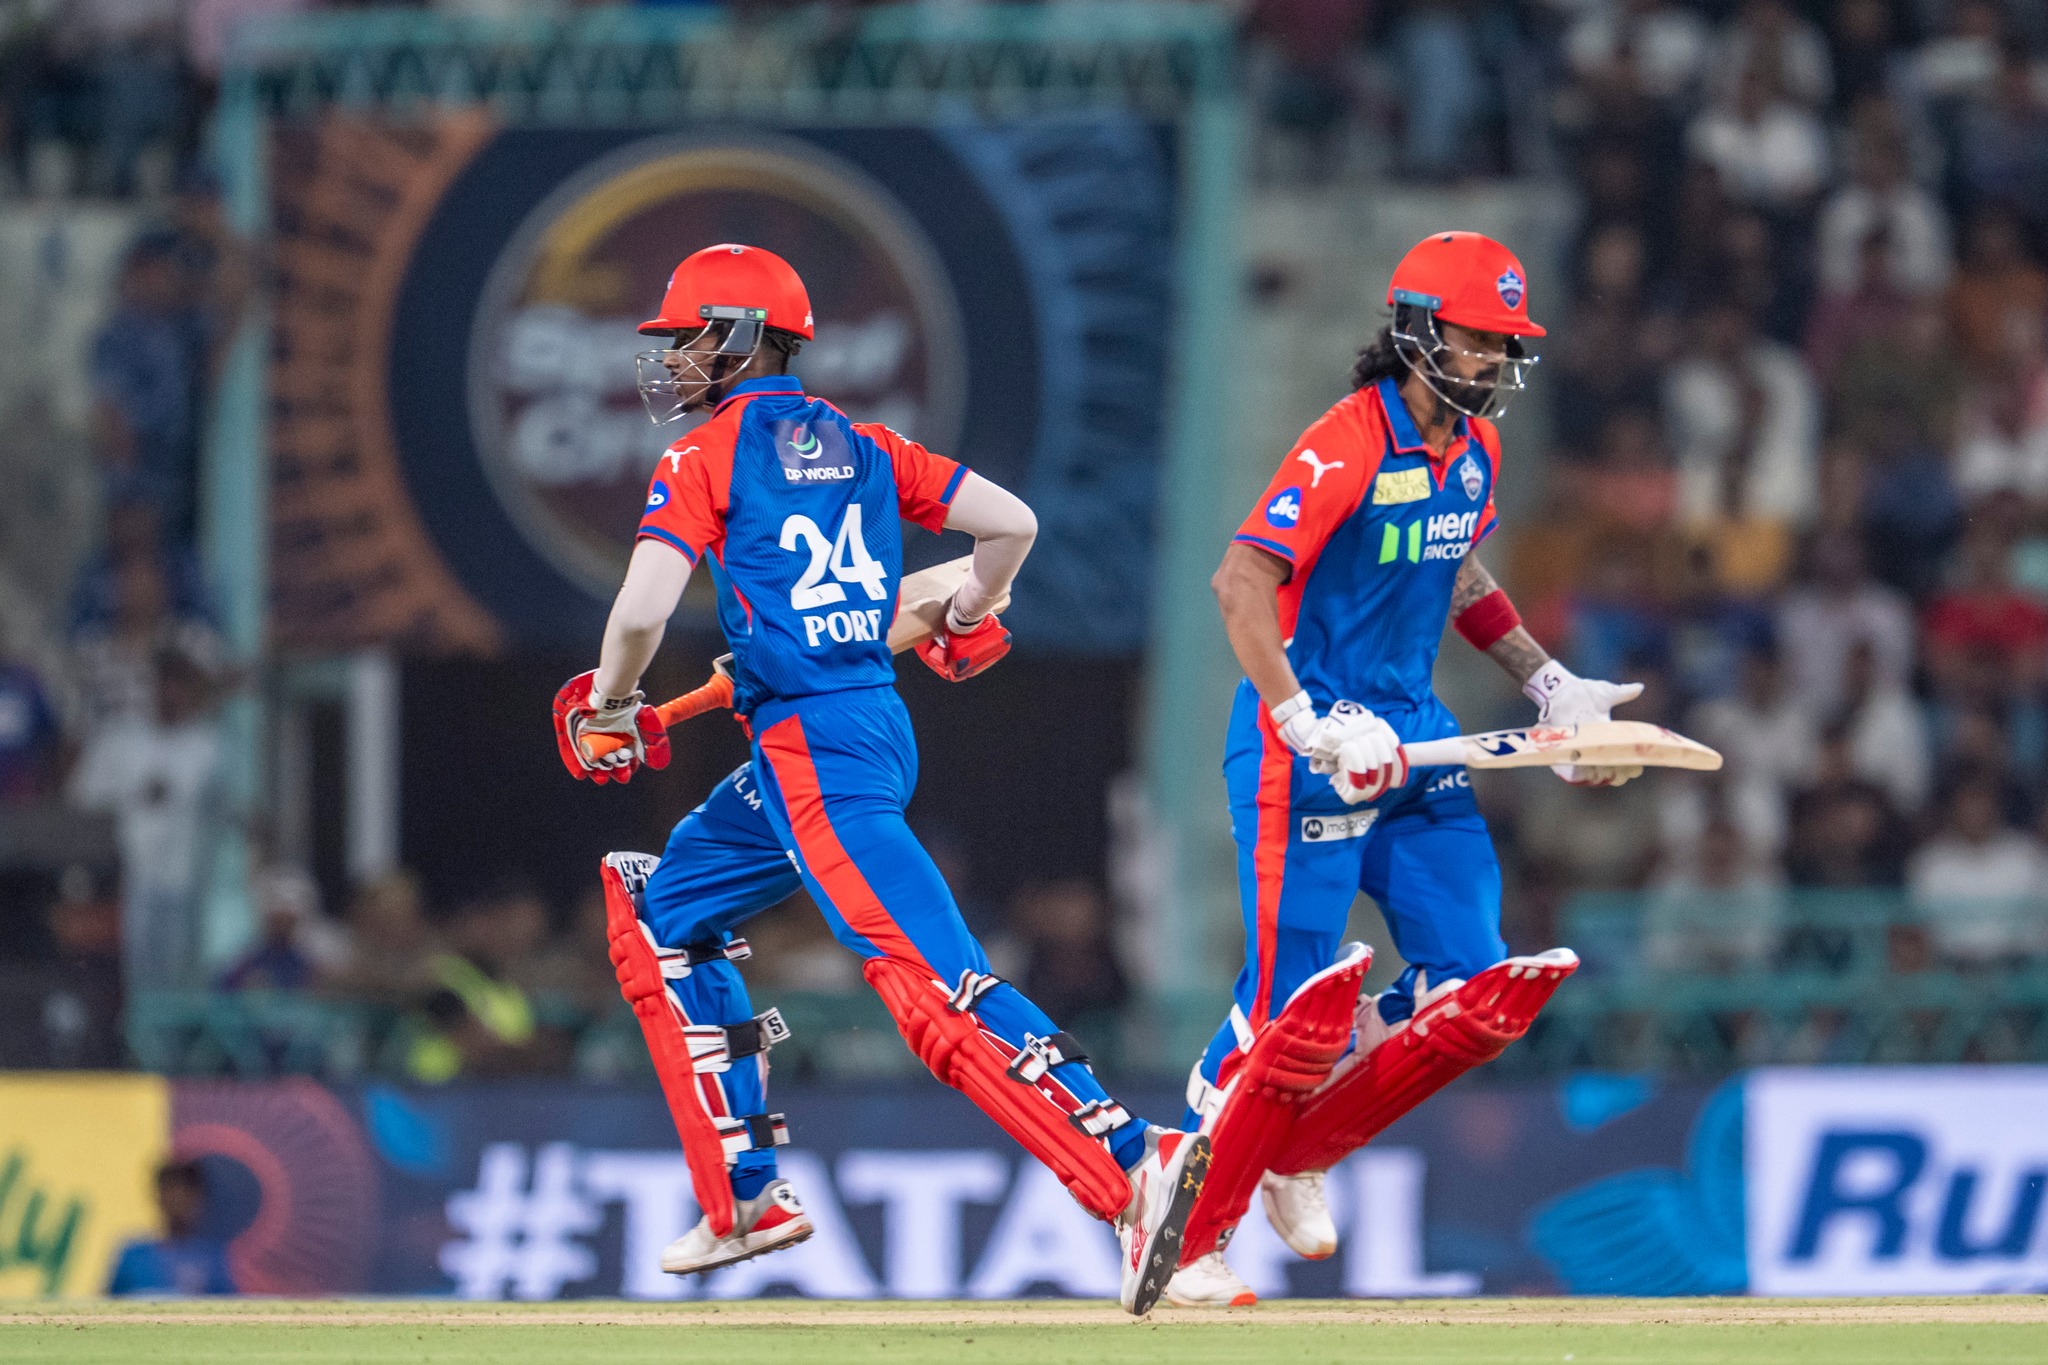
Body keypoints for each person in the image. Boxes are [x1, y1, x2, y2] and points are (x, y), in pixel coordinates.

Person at [551, 244, 1207, 1314]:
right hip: (856, 728)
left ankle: (1135, 1162)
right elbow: (1012, 525)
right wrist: (966, 608)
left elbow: (637, 613)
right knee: (663, 913)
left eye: (685, 338)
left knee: (933, 988)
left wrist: (613, 704)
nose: (670, 360)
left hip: (813, 754)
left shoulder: (703, 457)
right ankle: (744, 1196)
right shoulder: (866, 445)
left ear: (741, 339)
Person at [1166, 232, 1641, 1307]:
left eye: (1506, 344)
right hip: (1311, 747)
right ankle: (1191, 1224)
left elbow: (1454, 567)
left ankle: (1299, 1143)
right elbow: (1238, 582)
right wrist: (1302, 719)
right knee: (1288, 1011)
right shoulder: (1342, 441)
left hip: (1416, 742)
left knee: (1469, 987)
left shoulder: (1476, 450)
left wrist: (1549, 683)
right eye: (1479, 339)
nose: (1495, 361)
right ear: (1417, 332)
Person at [107, 1160, 236, 1296]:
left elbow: (226, 1303)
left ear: (198, 1200)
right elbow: (108, 1302)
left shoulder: (211, 1257)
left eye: (186, 1195)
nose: (178, 1202)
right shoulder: (134, 1256)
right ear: (159, 1198)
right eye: (171, 1193)